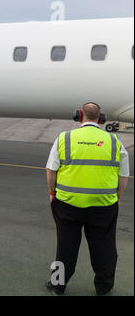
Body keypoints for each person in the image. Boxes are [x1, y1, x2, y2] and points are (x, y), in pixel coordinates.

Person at [45, 102, 130, 296]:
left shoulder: (64, 138)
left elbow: (51, 171)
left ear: (78, 116)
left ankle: (58, 286)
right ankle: (103, 288)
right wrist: (117, 198)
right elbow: (123, 176)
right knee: (105, 248)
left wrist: (52, 193)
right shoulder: (114, 141)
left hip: (67, 204)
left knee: (65, 246)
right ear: (101, 118)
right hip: (103, 207)